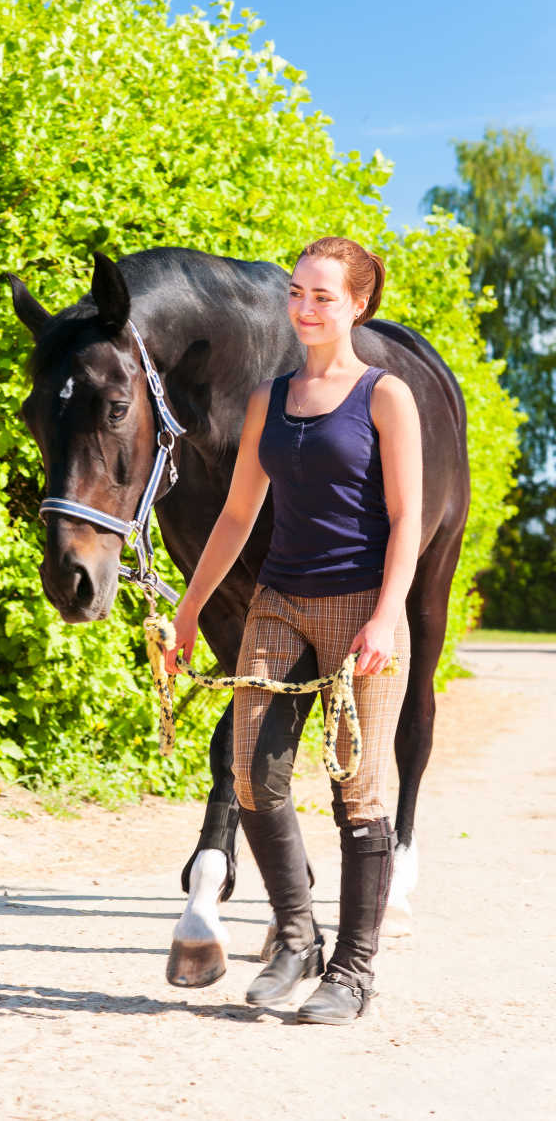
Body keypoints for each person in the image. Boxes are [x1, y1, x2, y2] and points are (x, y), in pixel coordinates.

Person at [165, 236, 422, 1024]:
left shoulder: (385, 396)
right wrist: (186, 607)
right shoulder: (267, 399)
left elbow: (409, 517)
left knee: (361, 791)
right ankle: (297, 938)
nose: (305, 310)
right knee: (252, 774)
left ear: (358, 306)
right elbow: (240, 514)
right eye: (297, 295)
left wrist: (385, 613)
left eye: (323, 297)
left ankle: (353, 971)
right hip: (280, 600)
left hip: (360, 605)